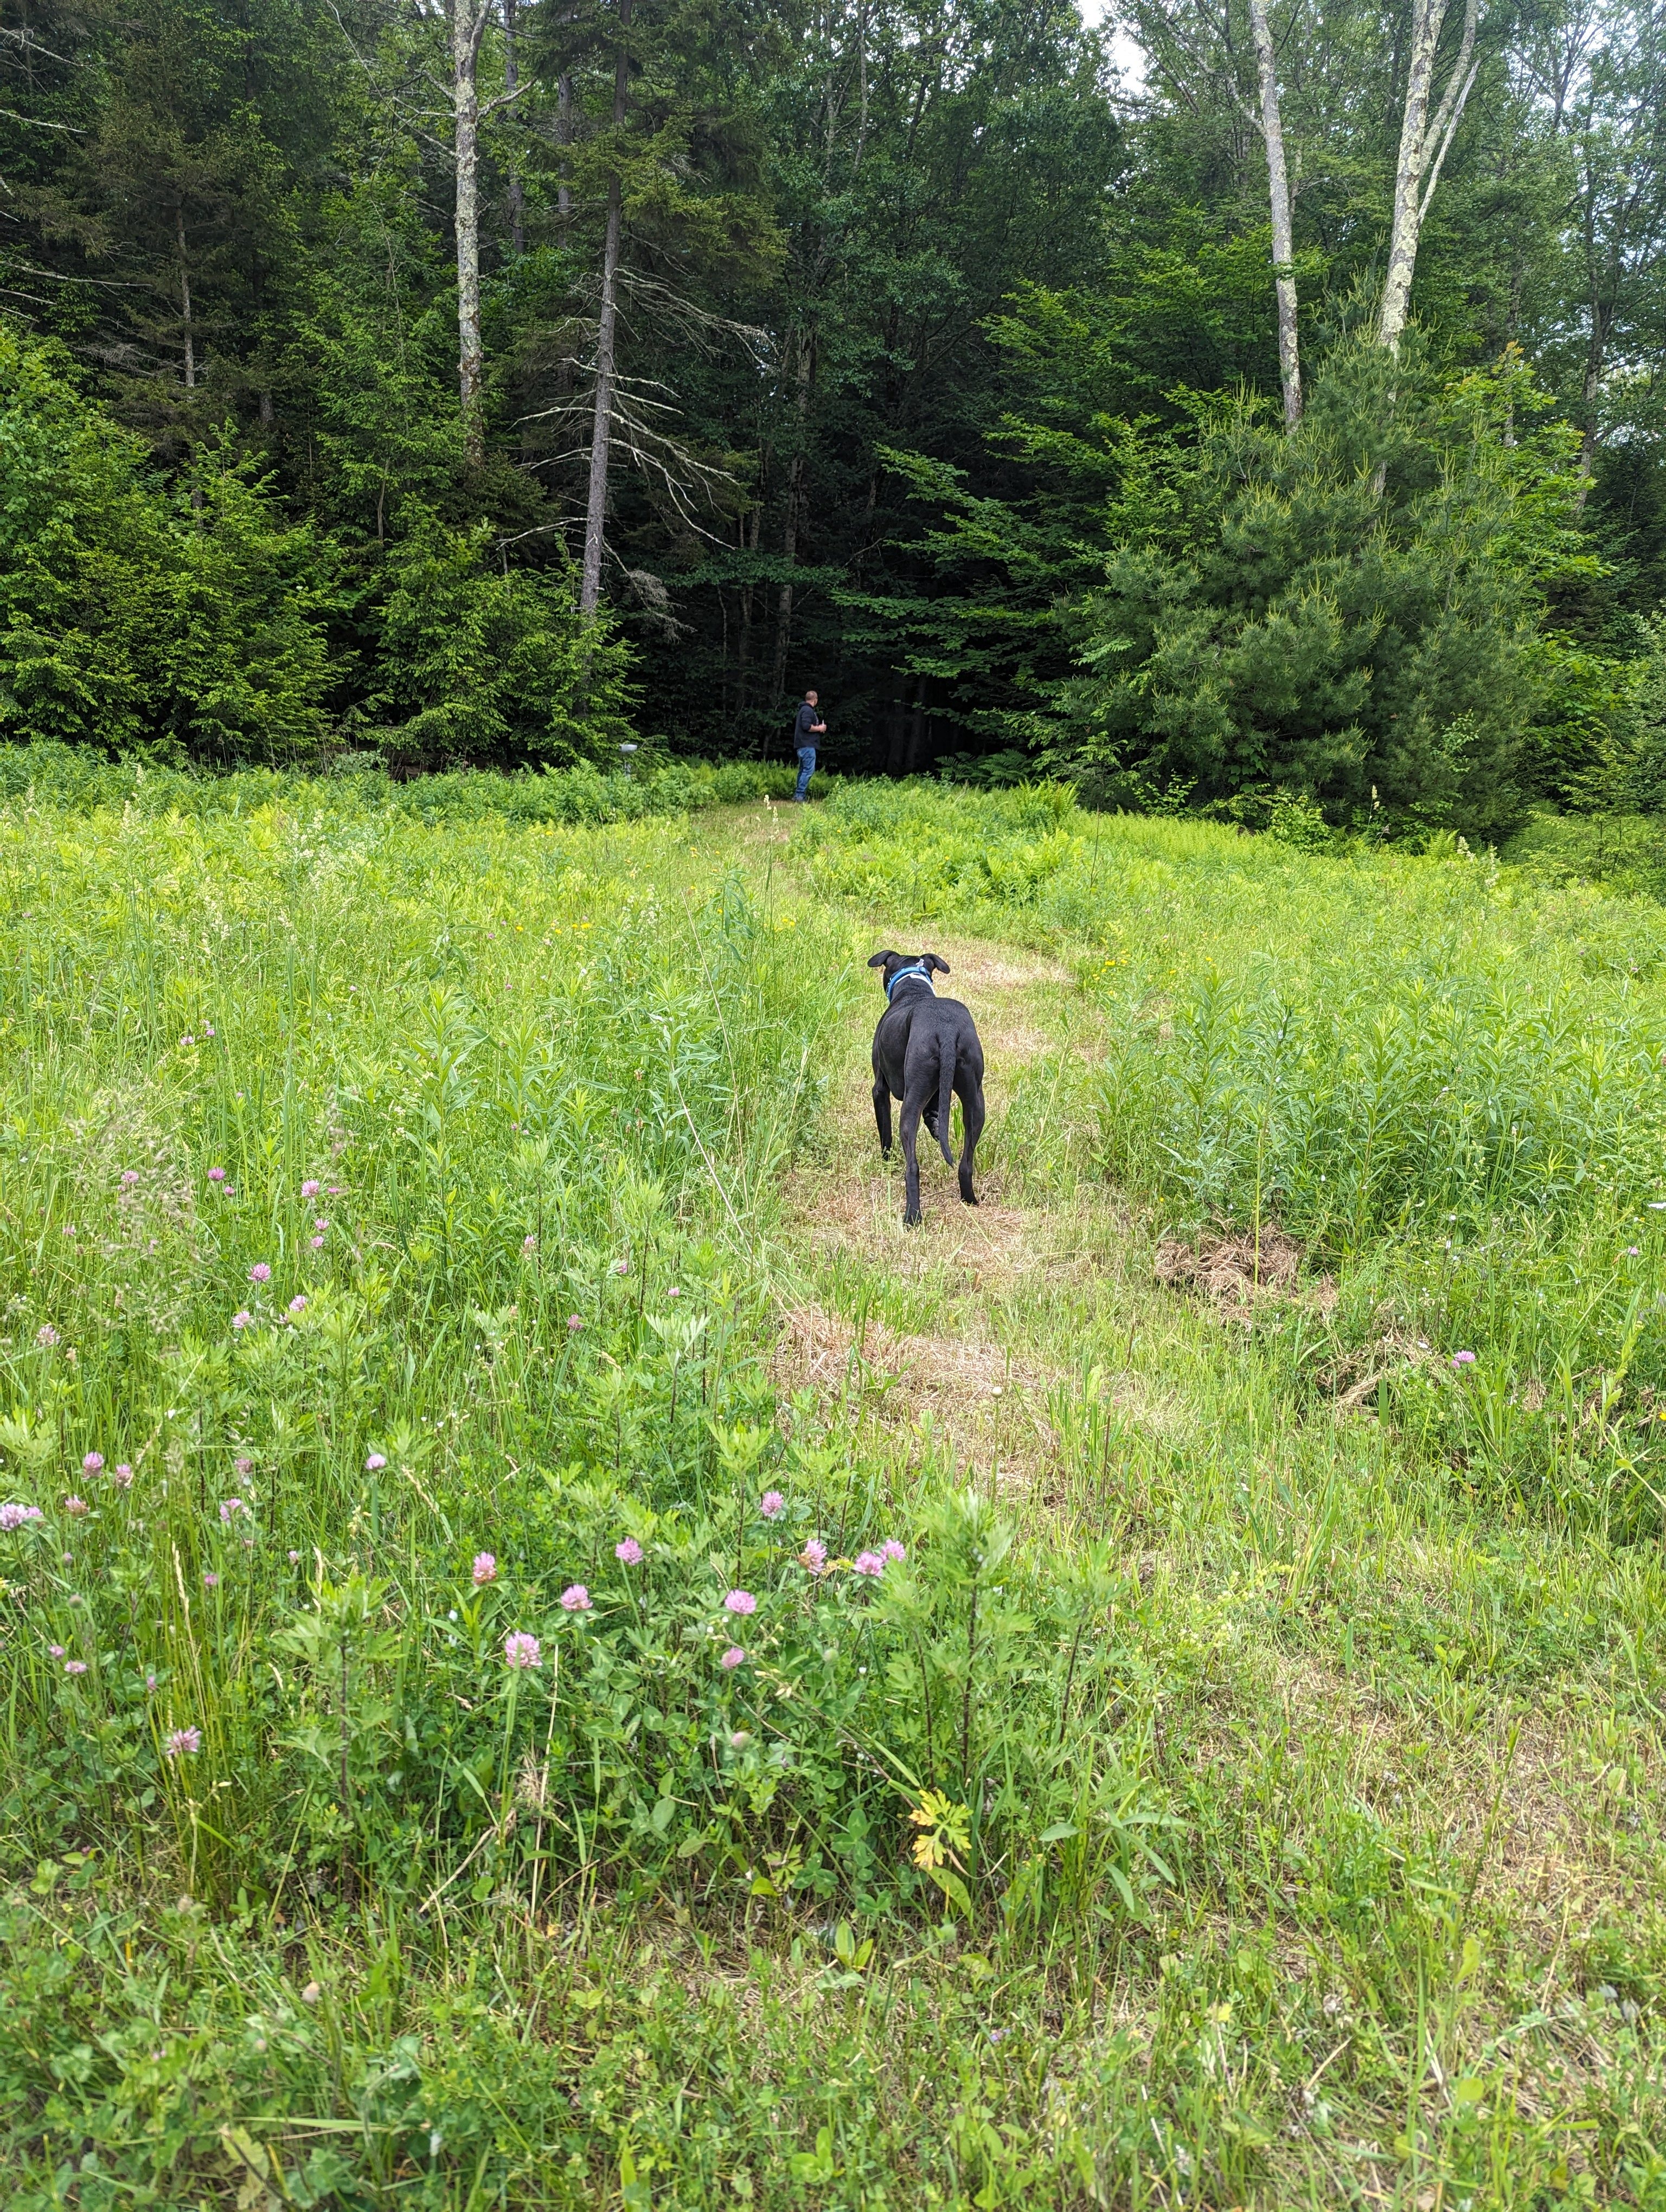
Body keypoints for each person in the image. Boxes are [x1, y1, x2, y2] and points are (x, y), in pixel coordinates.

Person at [791, 690, 826, 801]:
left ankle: (798, 795)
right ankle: (800, 794)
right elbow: (806, 726)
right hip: (807, 746)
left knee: (803, 770)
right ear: (815, 700)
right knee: (808, 771)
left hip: (802, 745)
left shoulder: (803, 710)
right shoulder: (807, 710)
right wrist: (820, 728)